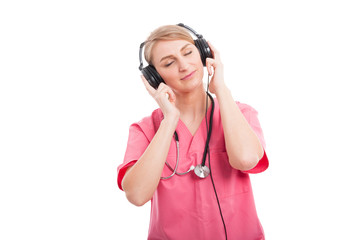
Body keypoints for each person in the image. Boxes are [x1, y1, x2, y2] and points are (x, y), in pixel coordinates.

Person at [117, 23, 269, 240]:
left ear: (204, 53)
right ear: (155, 77)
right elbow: (137, 195)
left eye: (188, 53)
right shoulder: (144, 129)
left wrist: (221, 89)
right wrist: (169, 119)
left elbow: (246, 160)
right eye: (169, 62)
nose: (184, 66)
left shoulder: (241, 113)